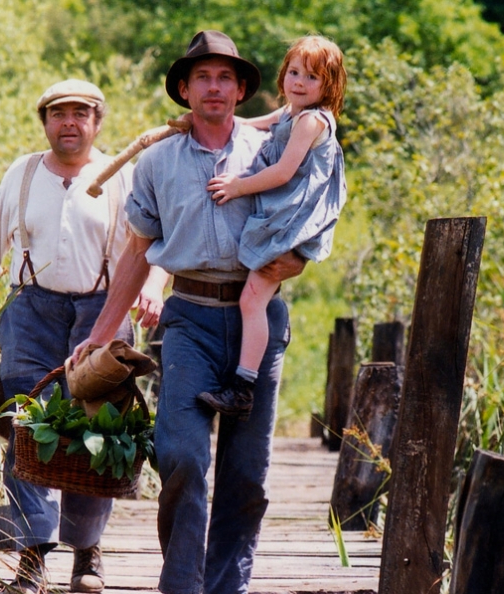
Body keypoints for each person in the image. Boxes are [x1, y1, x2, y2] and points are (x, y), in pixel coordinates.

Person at [72, 31, 307, 593]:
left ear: (242, 89)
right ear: (184, 88)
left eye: (226, 77)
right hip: (190, 320)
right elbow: (137, 252)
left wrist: (296, 259)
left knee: (246, 474)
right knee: (179, 454)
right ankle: (181, 584)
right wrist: (102, 335)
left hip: (258, 320)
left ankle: (227, 585)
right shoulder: (156, 163)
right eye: (203, 76)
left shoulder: (271, 153)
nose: (215, 87)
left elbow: (308, 216)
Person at [0, 79, 168, 594]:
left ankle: (88, 553)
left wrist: (152, 286)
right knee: (25, 425)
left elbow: (153, 246)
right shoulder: (21, 174)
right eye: (59, 113)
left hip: (102, 314)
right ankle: (34, 557)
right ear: (44, 122)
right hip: (31, 311)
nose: (69, 122)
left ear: (96, 122)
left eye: (80, 113)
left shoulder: (123, 175)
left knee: (97, 431)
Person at [197, 35, 347, 421]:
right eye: (294, 72)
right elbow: (250, 123)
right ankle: (241, 382)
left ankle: (243, 386)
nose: (299, 82)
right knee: (253, 298)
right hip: (280, 215)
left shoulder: (312, 120)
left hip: (291, 219)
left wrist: (237, 186)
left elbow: (282, 173)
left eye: (311, 77)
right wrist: (204, 120)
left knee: (252, 300)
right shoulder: (290, 112)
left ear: (328, 85)